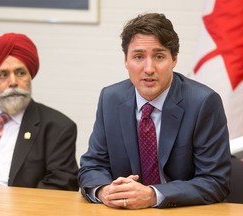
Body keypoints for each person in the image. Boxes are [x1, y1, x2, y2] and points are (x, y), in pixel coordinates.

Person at [78, 12, 231, 208]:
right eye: (138, 56)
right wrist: (104, 190)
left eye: (159, 56)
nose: (149, 68)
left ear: (174, 59)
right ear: (126, 60)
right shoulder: (110, 99)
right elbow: (92, 165)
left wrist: (153, 195)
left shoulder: (203, 103)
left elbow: (215, 181)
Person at [0, 33, 79, 191]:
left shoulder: (57, 127)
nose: (13, 82)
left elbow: (61, 184)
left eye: (20, 73)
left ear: (29, 77)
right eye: (3, 75)